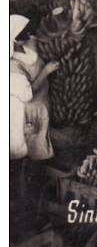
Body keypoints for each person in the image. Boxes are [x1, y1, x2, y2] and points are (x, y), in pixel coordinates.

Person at [10, 14, 55, 162]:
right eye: (25, 33)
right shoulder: (11, 67)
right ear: (14, 39)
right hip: (30, 114)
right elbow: (27, 94)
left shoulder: (26, 49)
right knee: (33, 153)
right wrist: (46, 71)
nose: (30, 35)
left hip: (42, 108)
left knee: (42, 145)